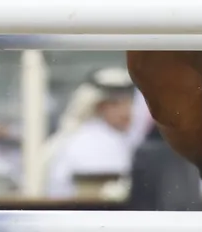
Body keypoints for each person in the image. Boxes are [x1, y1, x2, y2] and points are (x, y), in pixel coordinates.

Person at [44, 67, 141, 198]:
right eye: (116, 104)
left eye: (129, 103)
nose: (126, 111)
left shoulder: (119, 137)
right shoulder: (92, 141)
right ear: (99, 107)